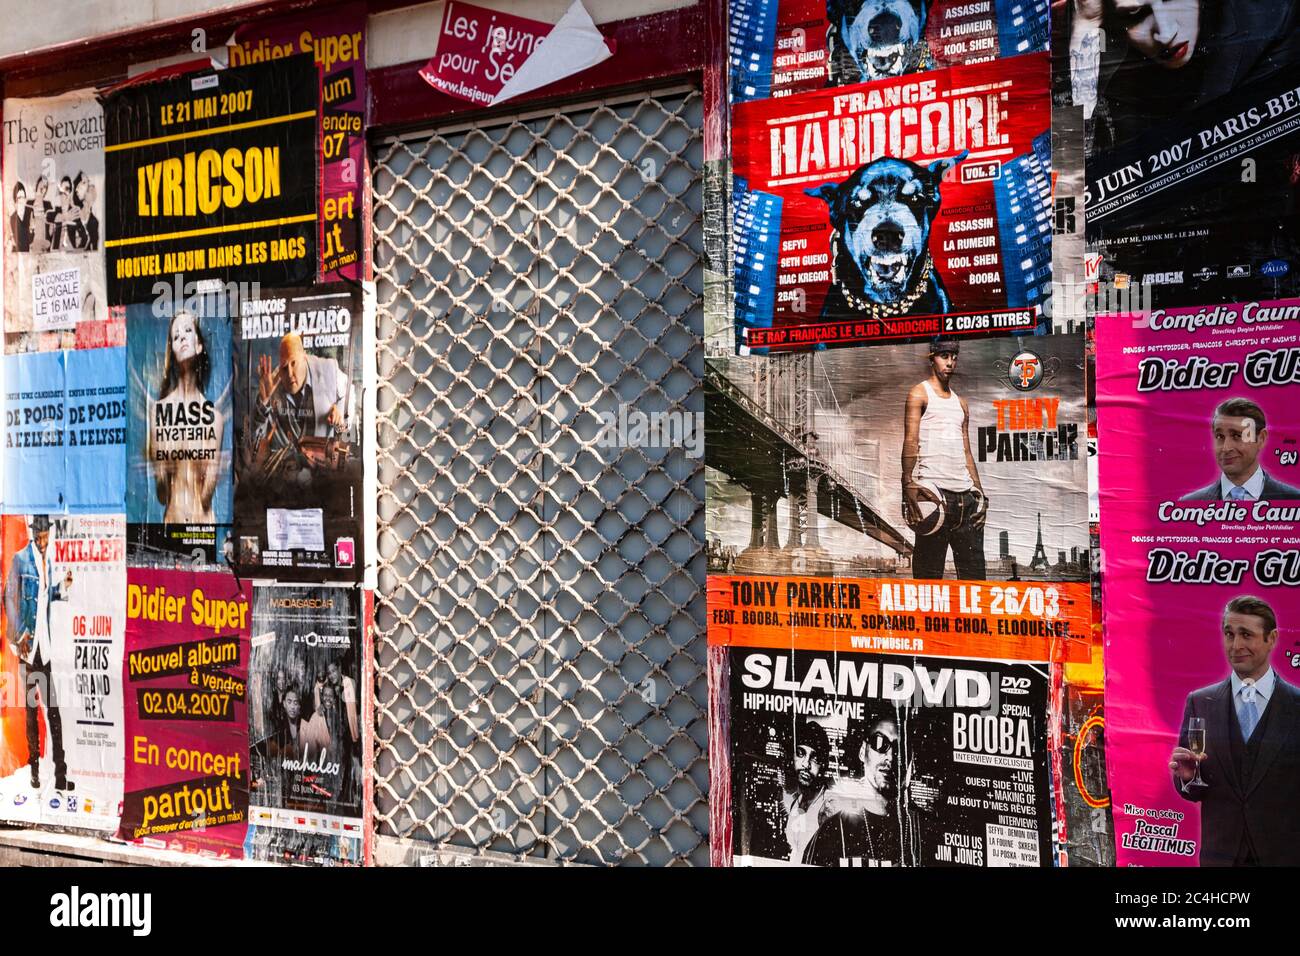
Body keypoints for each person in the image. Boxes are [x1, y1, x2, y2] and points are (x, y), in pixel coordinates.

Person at [1169, 595, 1300, 866]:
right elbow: (1193, 790)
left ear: (1271, 638)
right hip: (1221, 859)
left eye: (1246, 635)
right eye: (1229, 634)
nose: (1236, 645)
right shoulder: (1199, 702)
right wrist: (1188, 778)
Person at [1072, 0, 1300, 151]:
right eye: (1136, 14)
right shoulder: (1120, 93)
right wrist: (1084, 22)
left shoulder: (1273, 22)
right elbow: (1069, 202)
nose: (1167, 32)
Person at [902, 336, 987, 579]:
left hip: (967, 503)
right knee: (927, 585)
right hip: (934, 497)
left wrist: (981, 495)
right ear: (932, 359)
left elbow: (967, 451)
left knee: (975, 587)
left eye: (953, 357)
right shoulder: (920, 393)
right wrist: (907, 482)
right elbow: (911, 441)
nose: (950, 363)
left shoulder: (962, 403)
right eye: (944, 357)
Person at [3, 516, 73, 791]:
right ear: (35, 535)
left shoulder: (49, 561)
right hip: (28, 650)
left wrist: (63, 586)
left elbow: (46, 596)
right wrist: (19, 634)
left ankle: (60, 776)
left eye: (47, 536)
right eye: (41, 537)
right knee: (32, 713)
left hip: (46, 647)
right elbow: (9, 597)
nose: (44, 541)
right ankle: (34, 771)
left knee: (53, 712)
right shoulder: (21, 560)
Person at [802, 713, 919, 866]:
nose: (890, 757)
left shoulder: (921, 829)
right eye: (880, 743)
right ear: (863, 751)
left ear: (909, 762)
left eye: (900, 749)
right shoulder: (833, 831)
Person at [147, 309, 223, 523]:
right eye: (176, 336)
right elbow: (162, 496)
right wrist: (162, 464)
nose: (181, 338)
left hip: (203, 523)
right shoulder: (159, 412)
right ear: (172, 352)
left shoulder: (215, 418)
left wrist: (211, 469)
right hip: (172, 520)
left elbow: (206, 497)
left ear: (199, 345)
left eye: (187, 331)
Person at [1181, 398, 1300, 501]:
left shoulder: (1294, 500)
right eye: (1219, 436)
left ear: (1261, 439)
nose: (1226, 448)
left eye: (1237, 436)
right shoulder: (1190, 505)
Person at [782, 718, 832, 862]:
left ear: (823, 765)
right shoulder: (795, 803)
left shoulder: (828, 808)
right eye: (801, 753)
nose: (806, 764)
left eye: (814, 759)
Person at [9, 181, 33, 253]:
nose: (22, 201)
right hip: (17, 255)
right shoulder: (13, 218)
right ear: (15, 201)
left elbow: (30, 240)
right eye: (19, 197)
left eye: (23, 197)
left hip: (27, 254)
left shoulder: (28, 216)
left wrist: (32, 229)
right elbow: (19, 242)